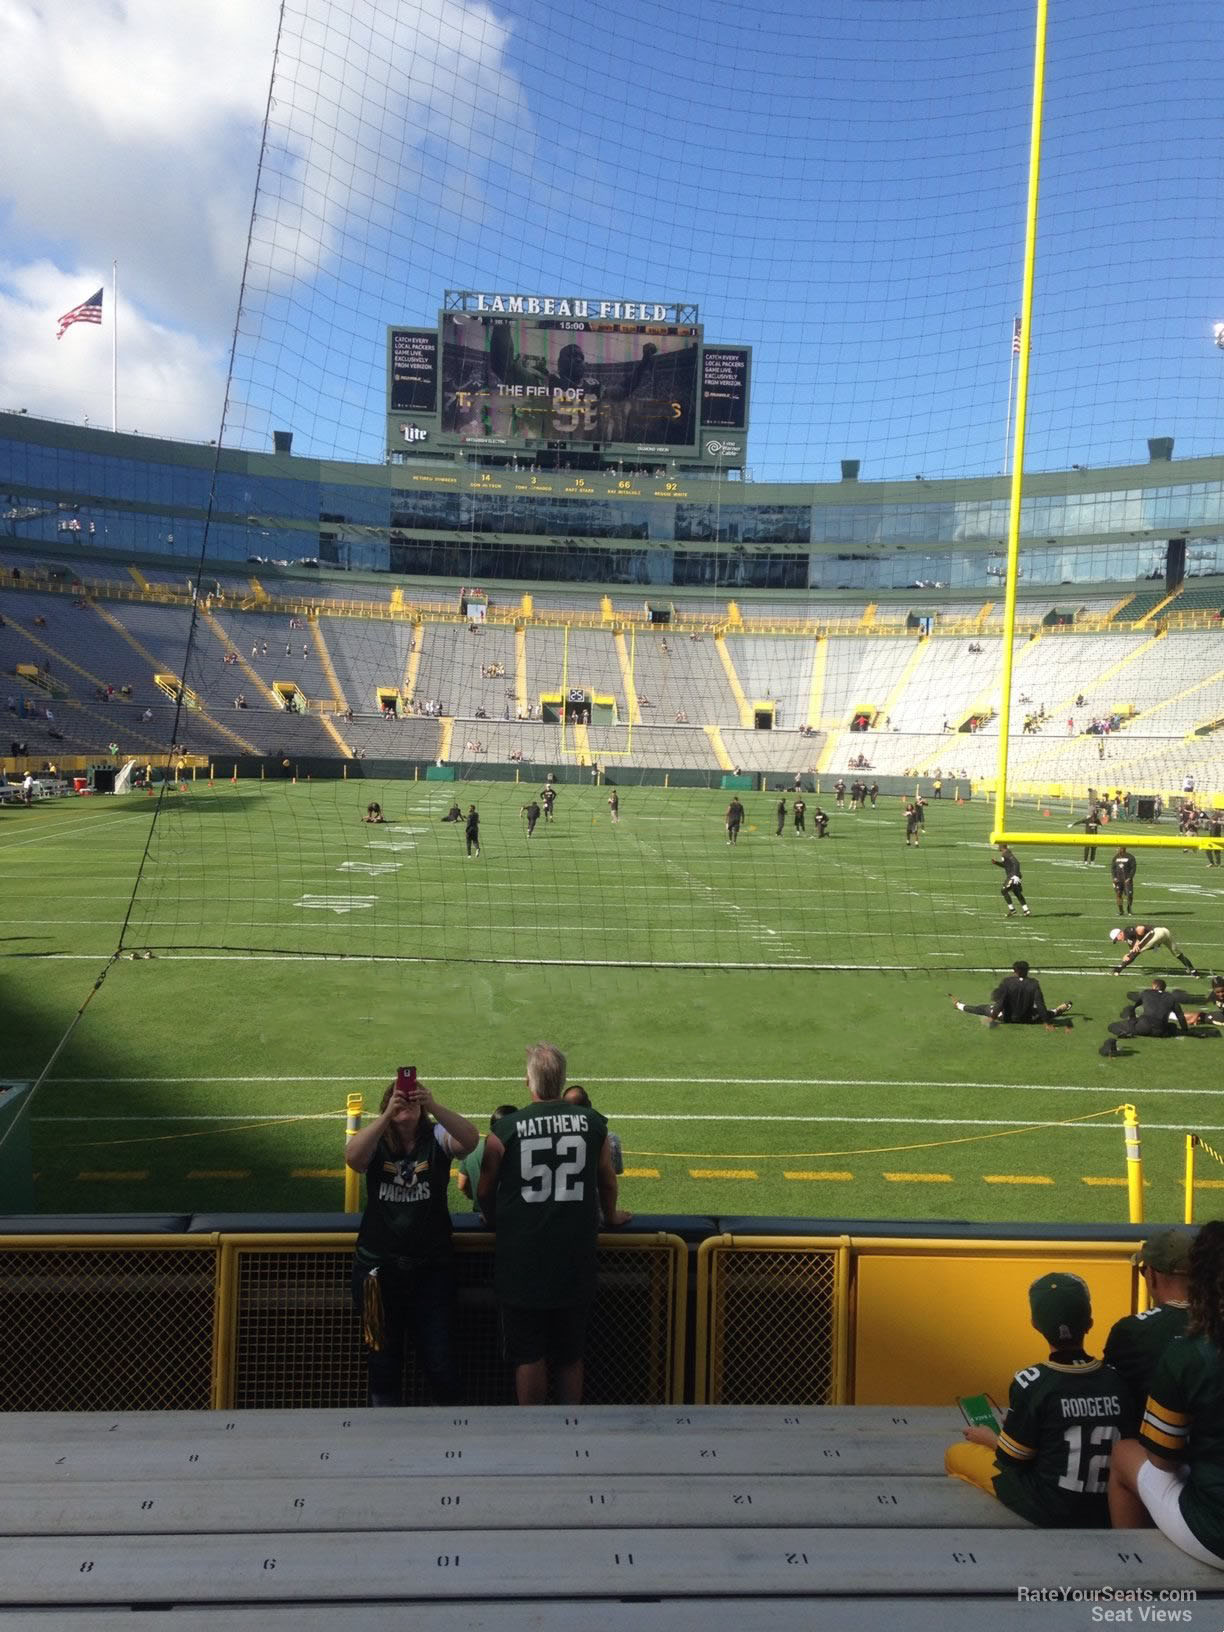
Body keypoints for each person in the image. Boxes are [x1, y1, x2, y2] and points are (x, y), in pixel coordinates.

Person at [478, 1042, 630, 1406]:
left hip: (524, 1257)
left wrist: (495, 1218)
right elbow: (607, 1181)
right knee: (569, 1355)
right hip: (574, 1256)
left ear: (528, 1081)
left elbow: (485, 1189)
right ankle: (569, 1434)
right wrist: (610, 1217)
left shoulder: (507, 1130)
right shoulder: (593, 1124)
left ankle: (532, 1438)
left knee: (529, 1355)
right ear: (563, 1081)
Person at [945, 1272, 1129, 1528]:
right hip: (1109, 1505)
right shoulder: (1117, 1379)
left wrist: (988, 1438)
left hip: (1051, 1507)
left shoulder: (1032, 1381)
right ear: (1090, 1322)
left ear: (1034, 1323)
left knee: (956, 1454)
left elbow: (1013, 1461)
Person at [344, 1073, 480, 1406]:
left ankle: (448, 1430)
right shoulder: (378, 1140)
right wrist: (386, 1116)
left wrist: (432, 1104)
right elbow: (353, 1157)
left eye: (409, 1098)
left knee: (440, 1361)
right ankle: (385, 1435)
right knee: (382, 1361)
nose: (406, 1102)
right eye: (398, 1098)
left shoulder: (435, 1135)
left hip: (431, 1269)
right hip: (378, 1271)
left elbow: (470, 1140)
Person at [1108, 1219, 1224, 1567]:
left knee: (1125, 1454)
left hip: (1215, 1530)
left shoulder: (1189, 1352)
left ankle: (1134, 1575)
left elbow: (1162, 1460)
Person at [1103, 1229, 1194, 1412]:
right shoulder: (1215, 1322)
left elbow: (1109, 1398)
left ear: (1151, 1275)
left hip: (1148, 1437)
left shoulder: (1130, 1331)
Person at [951, 961, 1071, 1026]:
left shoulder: (1007, 982)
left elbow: (1000, 1003)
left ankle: (959, 1005)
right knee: (1044, 1012)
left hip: (1006, 1018)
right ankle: (1058, 1010)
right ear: (1028, 971)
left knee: (982, 1008)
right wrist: (1047, 1022)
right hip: (1028, 1019)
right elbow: (1040, 1005)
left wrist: (992, 1017)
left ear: (1014, 971)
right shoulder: (1034, 983)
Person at [1098, 978, 1190, 1057]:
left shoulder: (1146, 993)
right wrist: (1185, 1030)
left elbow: (1133, 1006)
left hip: (1143, 1027)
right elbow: (1180, 1016)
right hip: (1161, 1031)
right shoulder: (1171, 998)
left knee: (1112, 1026)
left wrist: (1132, 1020)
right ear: (1164, 988)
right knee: (1172, 1026)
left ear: (1153, 986)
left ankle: (1124, 1032)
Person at [455, 1103, 517, 1213]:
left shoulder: (473, 1148)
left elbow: (461, 1184)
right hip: (512, 1216)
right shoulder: (519, 1150)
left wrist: (475, 1197)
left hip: (481, 1214)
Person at [1109, 924, 1200, 979]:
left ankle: (1117, 970)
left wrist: (1137, 940)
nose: (1118, 940)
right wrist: (1129, 954)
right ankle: (1194, 972)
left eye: (1117, 938)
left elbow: (1140, 928)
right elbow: (1132, 954)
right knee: (1178, 954)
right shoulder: (1128, 940)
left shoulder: (1127, 931)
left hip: (1156, 933)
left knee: (1136, 951)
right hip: (1165, 932)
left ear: (1120, 933)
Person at [993, 843, 1030, 917]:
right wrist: (996, 863)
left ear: (1001, 846)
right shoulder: (1005, 853)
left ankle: (1012, 910)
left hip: (1013, 876)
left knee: (1003, 890)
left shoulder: (1006, 853)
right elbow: (1005, 865)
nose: (997, 847)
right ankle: (1026, 910)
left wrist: (1015, 875)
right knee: (1017, 892)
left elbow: (1016, 863)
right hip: (1014, 875)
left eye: (998, 845)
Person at [1111, 847, 1136, 913]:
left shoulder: (1130, 857)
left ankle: (1129, 908)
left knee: (1129, 895)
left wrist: (1130, 878)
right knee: (1118, 894)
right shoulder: (1115, 857)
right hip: (1118, 880)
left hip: (1127, 879)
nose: (1117, 850)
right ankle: (1121, 910)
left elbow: (1133, 868)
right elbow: (1113, 869)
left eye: (1119, 848)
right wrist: (1114, 878)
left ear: (1123, 849)